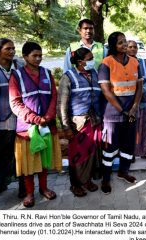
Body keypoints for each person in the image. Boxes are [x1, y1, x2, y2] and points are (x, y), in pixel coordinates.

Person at [9, 41, 62, 207]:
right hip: (28, 129)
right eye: (34, 55)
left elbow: (54, 96)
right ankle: (30, 193)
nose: (38, 58)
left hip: (46, 126)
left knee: (44, 161)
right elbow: (15, 102)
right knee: (29, 163)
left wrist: (48, 116)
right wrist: (35, 119)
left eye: (40, 55)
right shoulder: (16, 75)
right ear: (25, 57)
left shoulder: (47, 73)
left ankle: (44, 189)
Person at [98, 32, 142, 194]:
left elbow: (139, 87)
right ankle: (106, 178)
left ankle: (124, 172)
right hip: (113, 114)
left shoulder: (134, 62)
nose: (124, 45)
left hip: (131, 113)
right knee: (109, 147)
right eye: (120, 43)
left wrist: (134, 107)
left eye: (125, 42)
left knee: (128, 145)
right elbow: (106, 92)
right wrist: (122, 110)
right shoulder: (106, 63)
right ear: (112, 45)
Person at [57, 48, 102, 197]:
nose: (92, 61)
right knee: (77, 155)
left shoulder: (94, 74)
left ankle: (87, 180)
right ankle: (75, 184)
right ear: (80, 62)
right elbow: (62, 104)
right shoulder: (68, 77)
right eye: (89, 58)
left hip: (94, 121)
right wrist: (65, 127)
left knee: (91, 153)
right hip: (78, 124)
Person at [0, 38, 26, 201]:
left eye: (13, 48)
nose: (12, 51)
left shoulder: (20, 66)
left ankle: (22, 186)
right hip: (1, 120)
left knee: (20, 154)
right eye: (7, 49)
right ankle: (2, 184)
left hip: (20, 119)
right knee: (1, 154)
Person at [127, 40, 146, 162]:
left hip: (143, 102)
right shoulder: (123, 63)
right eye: (130, 47)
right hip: (129, 104)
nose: (133, 49)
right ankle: (129, 153)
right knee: (131, 129)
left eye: (135, 47)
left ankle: (144, 151)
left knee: (144, 128)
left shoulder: (142, 62)